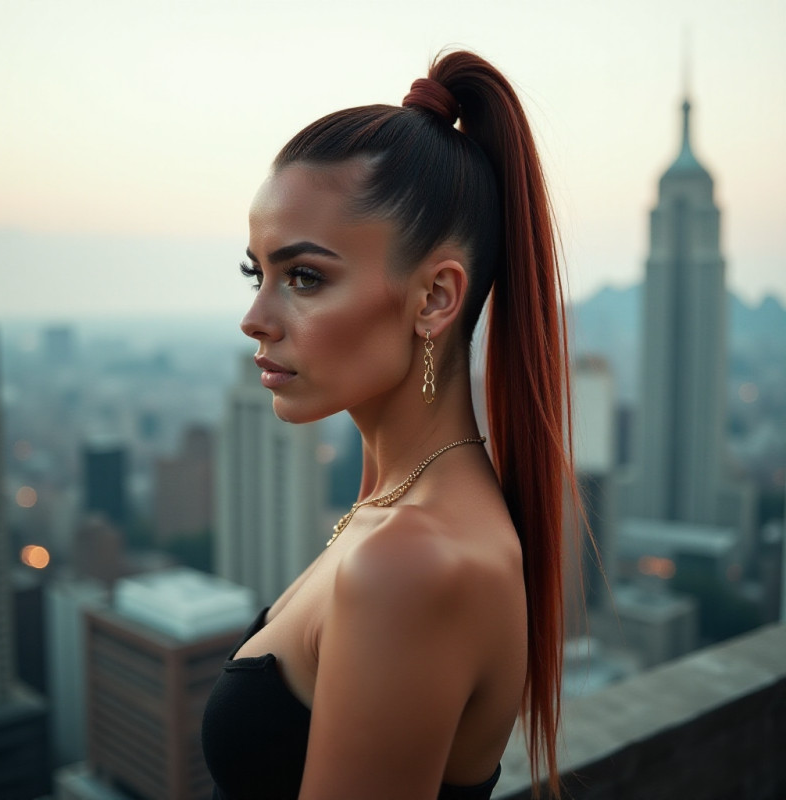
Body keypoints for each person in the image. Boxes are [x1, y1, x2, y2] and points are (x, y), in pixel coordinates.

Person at [202, 49, 574, 800]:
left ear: (436, 298)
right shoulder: (395, 507)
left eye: (304, 277)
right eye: (258, 273)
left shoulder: (414, 563)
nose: (255, 319)